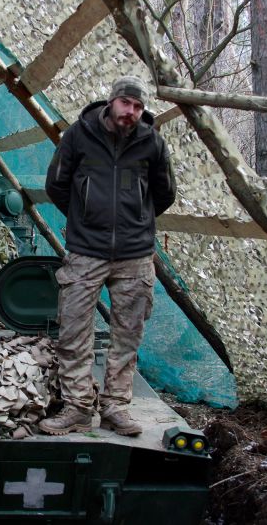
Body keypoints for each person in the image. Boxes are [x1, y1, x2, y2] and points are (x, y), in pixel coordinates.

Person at [40, 75, 176, 437]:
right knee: (73, 330)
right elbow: (56, 184)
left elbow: (164, 194)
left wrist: (135, 221)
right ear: (111, 101)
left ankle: (116, 407)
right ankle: (78, 408)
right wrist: (85, 219)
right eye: (125, 103)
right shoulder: (79, 135)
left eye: (137, 106)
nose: (130, 112)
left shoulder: (152, 143)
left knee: (127, 334)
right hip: (86, 252)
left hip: (134, 255)